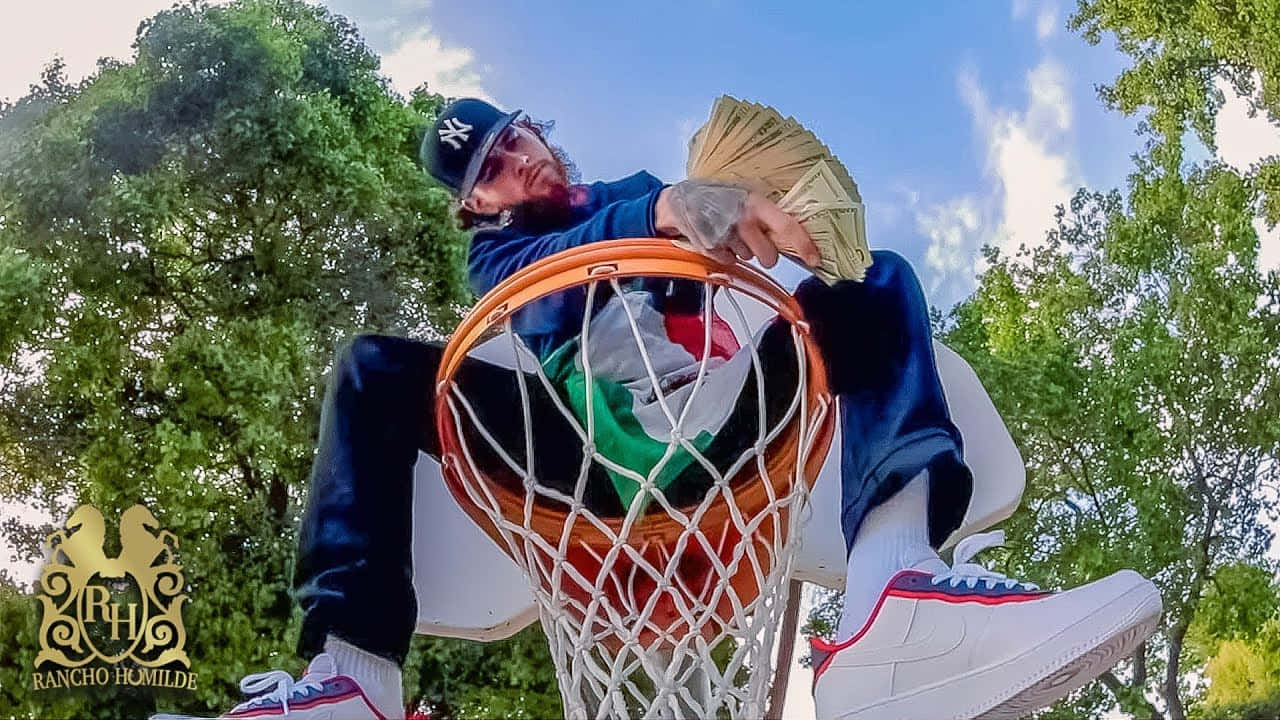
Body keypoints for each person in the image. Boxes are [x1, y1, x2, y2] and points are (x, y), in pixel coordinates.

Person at [160, 98, 1162, 720]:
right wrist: (659, 217)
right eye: (495, 171)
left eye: (518, 139)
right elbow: (551, 283)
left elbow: (732, 239)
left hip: (723, 432)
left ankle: (893, 600)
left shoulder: (649, 186)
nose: (523, 164)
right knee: (373, 371)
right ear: (474, 205)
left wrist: (774, 225)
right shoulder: (500, 254)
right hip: (581, 459)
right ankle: (353, 683)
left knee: (871, 289)